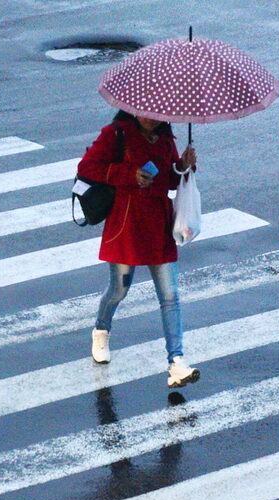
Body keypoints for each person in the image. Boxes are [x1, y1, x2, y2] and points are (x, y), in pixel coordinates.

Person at [77, 110, 200, 388]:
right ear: (133, 110)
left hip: (158, 225)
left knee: (170, 296)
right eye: (146, 114)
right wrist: (129, 175)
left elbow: (170, 180)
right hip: (127, 223)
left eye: (157, 114)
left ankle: (176, 362)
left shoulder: (165, 137)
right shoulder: (116, 133)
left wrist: (183, 166)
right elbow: (87, 168)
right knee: (119, 290)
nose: (152, 118)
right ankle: (101, 330)